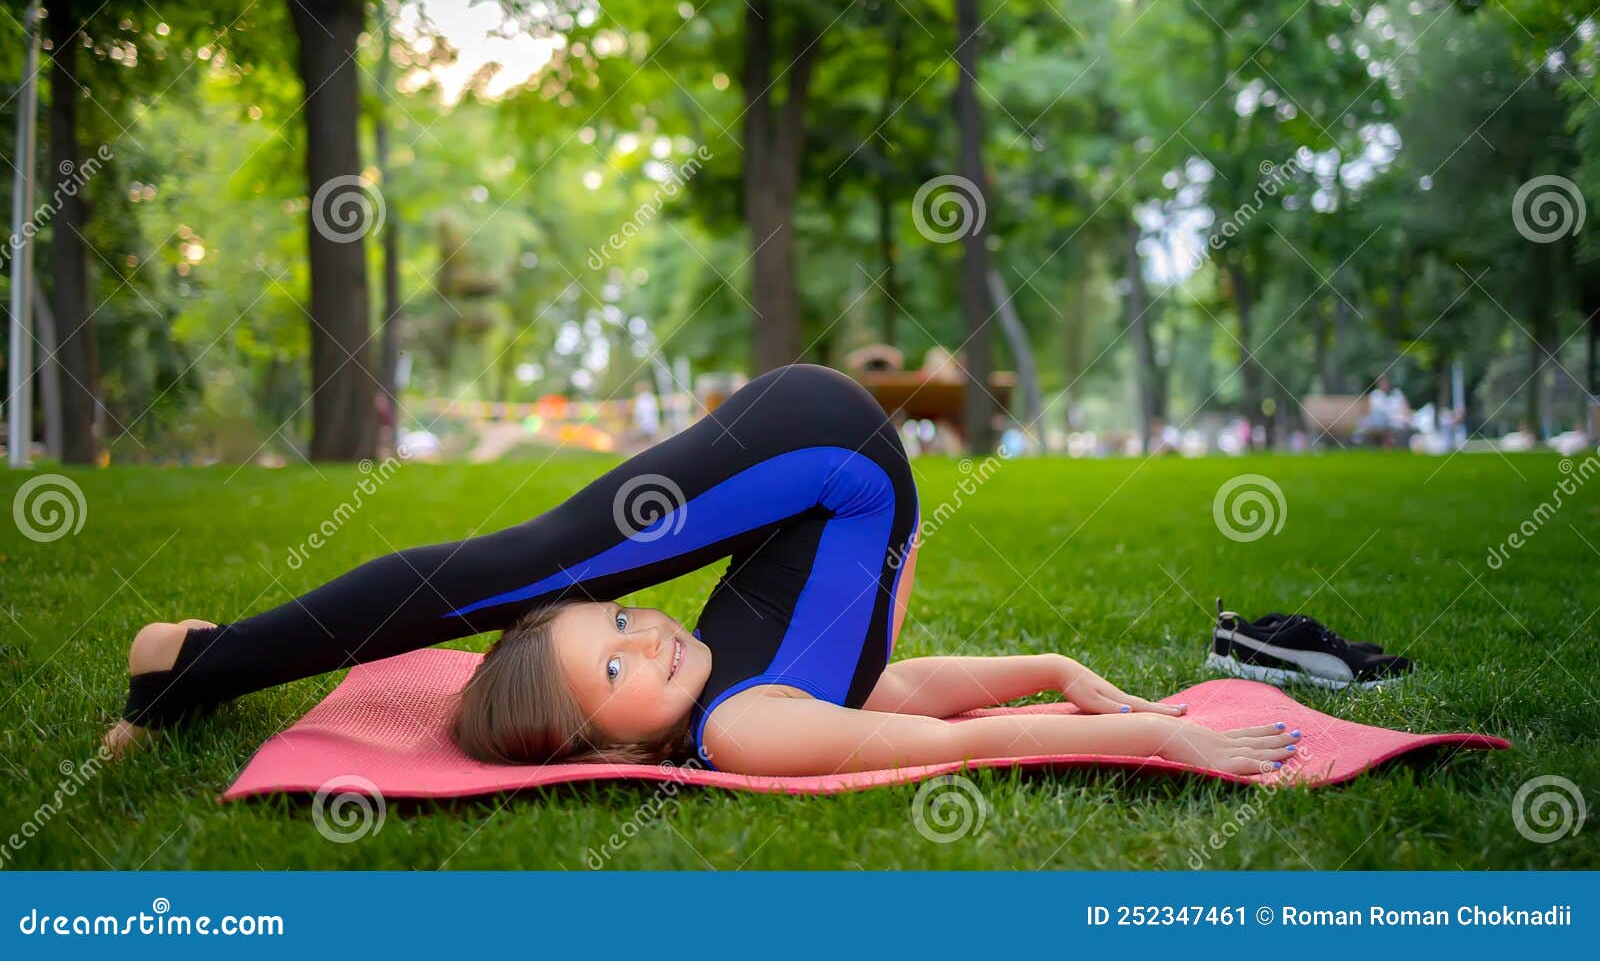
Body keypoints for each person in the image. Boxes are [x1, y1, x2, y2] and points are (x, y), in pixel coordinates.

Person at [107, 364, 1300, 778]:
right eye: (622, 664)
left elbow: (897, 711)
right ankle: (190, 664)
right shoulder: (745, 726)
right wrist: (1103, 698)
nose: (651, 633)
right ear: (615, 744)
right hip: (828, 460)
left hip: (823, 454)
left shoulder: (731, 710)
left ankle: (190, 671)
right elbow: (929, 719)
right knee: (521, 573)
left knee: (525, 573)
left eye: (621, 623)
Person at [1358, 373, 1411, 449]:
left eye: (1386, 382)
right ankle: (1388, 444)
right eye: (1382, 383)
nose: (1384, 385)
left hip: (1396, 420)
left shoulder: (1397, 393)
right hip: (1379, 421)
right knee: (1383, 422)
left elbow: (1406, 408)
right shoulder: (1375, 395)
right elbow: (1371, 412)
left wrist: (1405, 415)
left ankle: (1392, 445)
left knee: (1399, 423)